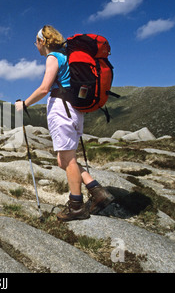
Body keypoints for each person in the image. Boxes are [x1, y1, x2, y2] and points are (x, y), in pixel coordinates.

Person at [15, 25, 114, 221]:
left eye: (36, 42)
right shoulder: (67, 57)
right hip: (75, 110)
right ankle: (97, 192)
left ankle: (76, 206)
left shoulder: (54, 57)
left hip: (62, 110)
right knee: (63, 160)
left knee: (67, 160)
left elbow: (44, 89)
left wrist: (24, 104)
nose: (36, 46)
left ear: (42, 41)